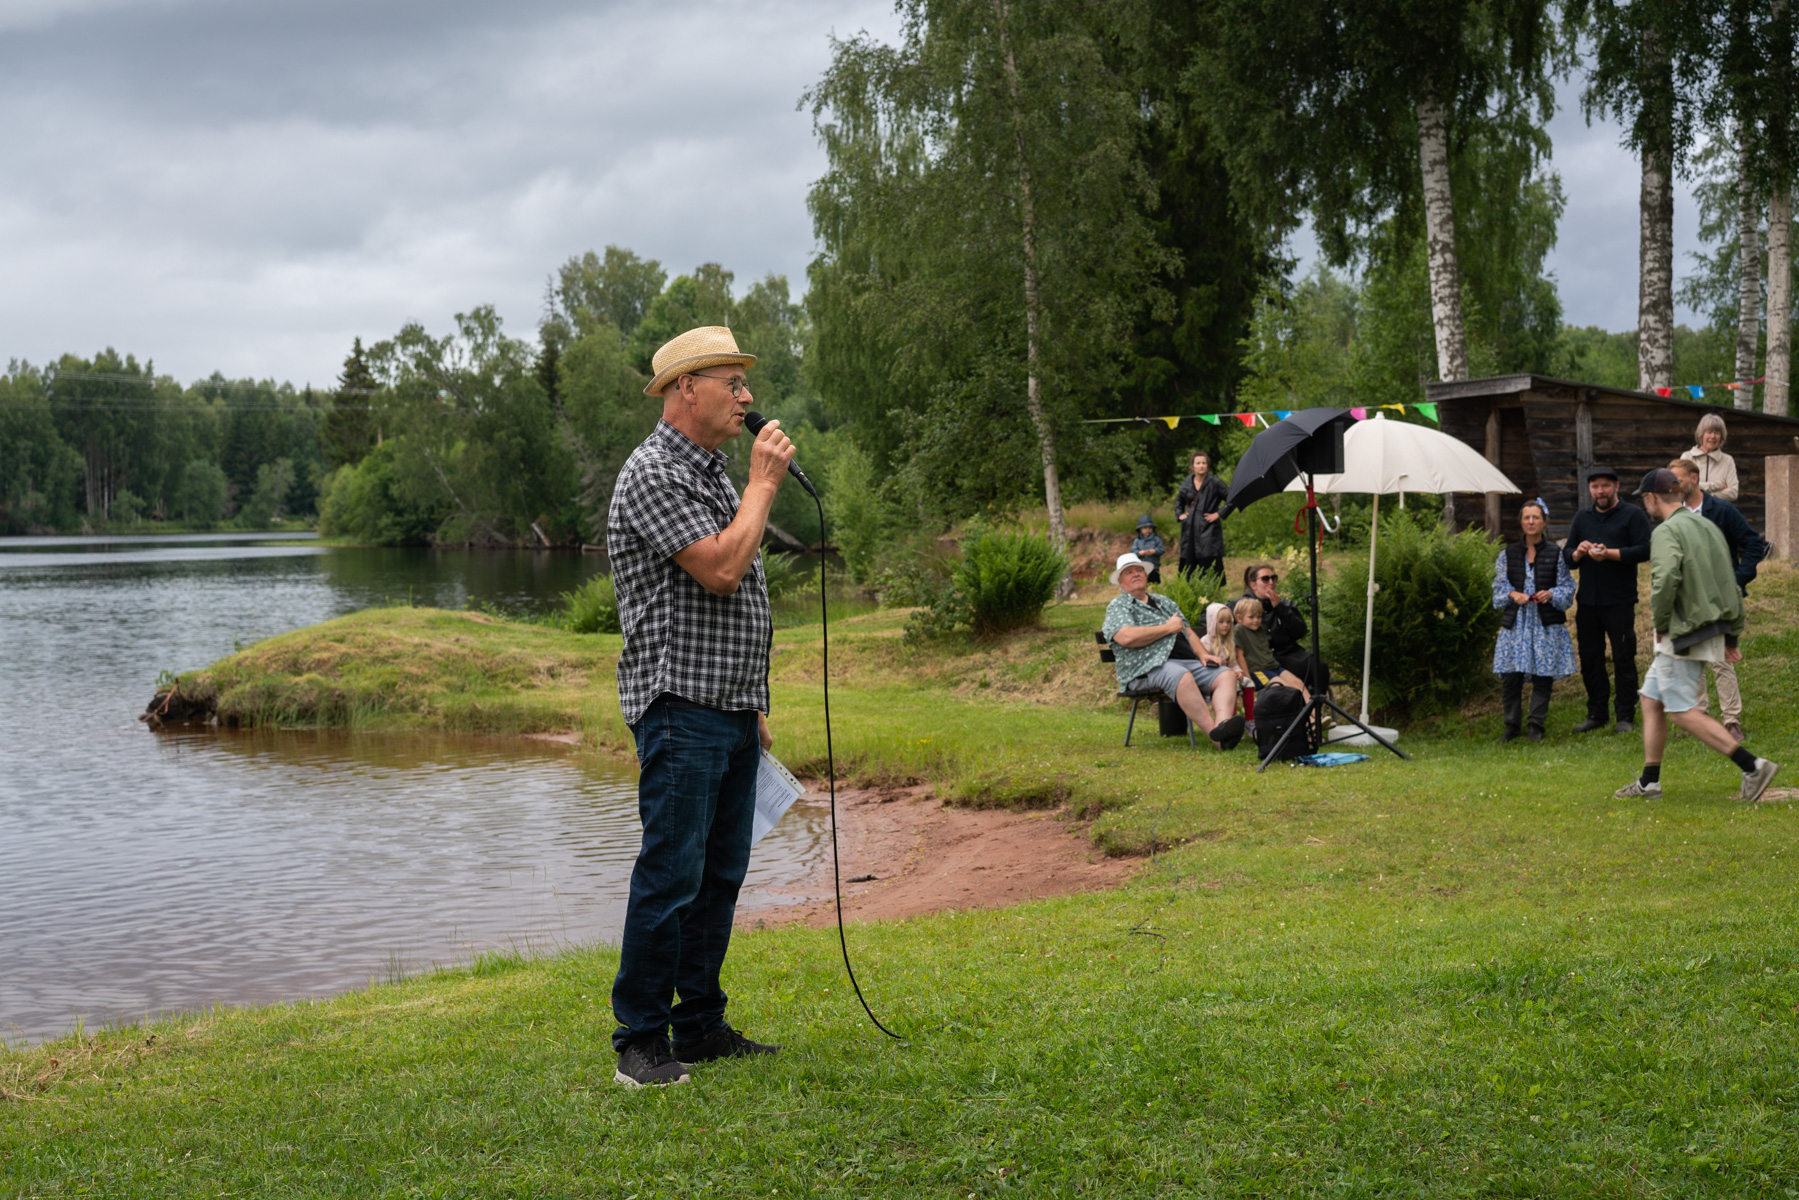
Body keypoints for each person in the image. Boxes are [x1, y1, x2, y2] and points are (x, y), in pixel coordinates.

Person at [606, 326, 792, 1088]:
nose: (746, 398)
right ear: (687, 388)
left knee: (719, 874)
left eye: (745, 385)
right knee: (670, 874)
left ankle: (701, 1025)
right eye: (731, 383)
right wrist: (764, 483)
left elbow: (735, 582)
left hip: (730, 706)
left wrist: (752, 704)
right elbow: (719, 569)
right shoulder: (653, 472)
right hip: (679, 707)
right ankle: (640, 1043)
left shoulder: (711, 471)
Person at [1614, 469, 1780, 802]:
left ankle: (1753, 766)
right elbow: (1730, 581)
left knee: (1682, 711)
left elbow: (1664, 584)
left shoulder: (1665, 532)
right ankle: (1650, 781)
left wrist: (1660, 624)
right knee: (1651, 699)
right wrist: (1732, 633)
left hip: (1683, 629)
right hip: (1709, 625)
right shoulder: (1706, 525)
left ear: (1651, 497)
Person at [1668, 457, 1771, 741]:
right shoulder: (1673, 513)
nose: (1673, 486)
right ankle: (1699, 718)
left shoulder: (1721, 510)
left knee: (1720, 658)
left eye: (1678, 480)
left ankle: (1731, 720)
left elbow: (1753, 543)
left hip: (1719, 596)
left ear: (1694, 478)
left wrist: (1737, 581)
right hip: (1686, 596)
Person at [1102, 552, 1246, 750]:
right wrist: (1168, 628)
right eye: (1129, 572)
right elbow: (1126, 637)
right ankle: (1218, 739)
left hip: (1183, 662)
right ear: (1120, 580)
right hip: (1145, 668)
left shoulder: (1163, 601)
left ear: (1146, 575)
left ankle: (1223, 727)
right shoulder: (1118, 606)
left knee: (1226, 675)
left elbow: (1187, 630)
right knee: (1181, 675)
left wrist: (1204, 655)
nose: (1136, 574)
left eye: (1139, 570)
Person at [1563, 465, 1652, 734]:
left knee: (1624, 657)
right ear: (1590, 489)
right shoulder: (1582, 517)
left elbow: (1645, 549)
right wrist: (1578, 553)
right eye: (1595, 486)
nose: (1600, 491)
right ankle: (1597, 713)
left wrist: (1610, 554)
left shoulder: (1633, 515)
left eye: (1605, 486)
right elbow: (1567, 555)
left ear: (1616, 486)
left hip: (1619, 600)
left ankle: (1625, 715)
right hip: (1588, 602)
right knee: (1590, 659)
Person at [1490, 499, 1575, 742]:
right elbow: (1498, 584)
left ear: (1544, 521)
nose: (1530, 521)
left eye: (1535, 517)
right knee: (1510, 676)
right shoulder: (1507, 554)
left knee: (1543, 676)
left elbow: (1567, 586)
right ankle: (1511, 725)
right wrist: (1511, 594)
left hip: (1544, 623)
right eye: (1526, 517)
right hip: (1516, 623)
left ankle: (1535, 725)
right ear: (1521, 522)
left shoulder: (1556, 554)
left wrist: (1552, 594)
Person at [1241, 564, 1329, 696]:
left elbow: (1300, 632)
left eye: (1273, 578)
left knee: (1319, 666)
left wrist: (1280, 608)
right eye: (1265, 579)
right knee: (1297, 672)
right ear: (1253, 585)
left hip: (1290, 653)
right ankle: (1301, 712)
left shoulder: (1285, 605)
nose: (1271, 583)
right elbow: (1214, 617)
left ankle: (1315, 711)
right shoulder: (1242, 606)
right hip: (1264, 658)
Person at [1230, 596, 1309, 698]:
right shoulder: (1239, 630)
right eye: (1251, 617)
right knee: (1284, 688)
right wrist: (1248, 679)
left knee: (1298, 684)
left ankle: (1316, 714)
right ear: (1239, 618)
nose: (1256, 620)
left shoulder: (1260, 629)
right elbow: (1239, 656)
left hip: (1273, 666)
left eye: (1259, 617)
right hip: (1258, 671)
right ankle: (1302, 713)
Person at [1176, 452, 1227, 585]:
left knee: (1211, 571)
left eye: (1204, 463)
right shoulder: (1187, 482)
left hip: (1209, 531)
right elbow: (1179, 500)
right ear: (1192, 466)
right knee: (1188, 571)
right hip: (1189, 531)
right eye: (1198, 463)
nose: (1201, 466)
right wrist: (1180, 514)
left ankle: (1214, 599)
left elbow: (1232, 498)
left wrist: (1218, 514)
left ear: (1207, 465)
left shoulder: (1215, 482)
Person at [1680, 413, 1739, 501]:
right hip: (1691, 512)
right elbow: (1681, 487)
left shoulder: (1728, 460)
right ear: (1701, 434)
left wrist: (1705, 496)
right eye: (1709, 432)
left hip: (1718, 513)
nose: (1713, 436)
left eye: (1717, 433)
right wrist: (1718, 485)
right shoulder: (1687, 457)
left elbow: (1733, 493)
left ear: (1721, 437)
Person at [1131, 515, 1166, 583]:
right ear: (1140, 529)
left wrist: (1154, 551)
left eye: (1150, 528)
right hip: (1142, 567)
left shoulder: (1156, 539)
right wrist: (1140, 553)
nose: (1148, 530)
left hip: (1154, 567)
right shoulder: (1137, 541)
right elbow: (1133, 552)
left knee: (1155, 583)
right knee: (1143, 583)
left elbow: (1162, 549)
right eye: (1145, 528)